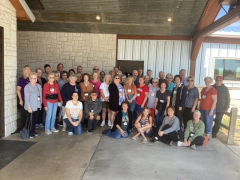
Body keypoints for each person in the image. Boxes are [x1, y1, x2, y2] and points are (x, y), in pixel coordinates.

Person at [24, 72, 42, 138]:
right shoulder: (27, 87)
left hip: (37, 105)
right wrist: (29, 107)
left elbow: (40, 96)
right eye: (32, 78)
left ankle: (33, 131)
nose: (34, 80)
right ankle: (30, 132)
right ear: (30, 79)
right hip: (31, 106)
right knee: (30, 120)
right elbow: (26, 98)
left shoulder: (38, 86)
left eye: (35, 78)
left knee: (35, 119)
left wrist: (40, 104)